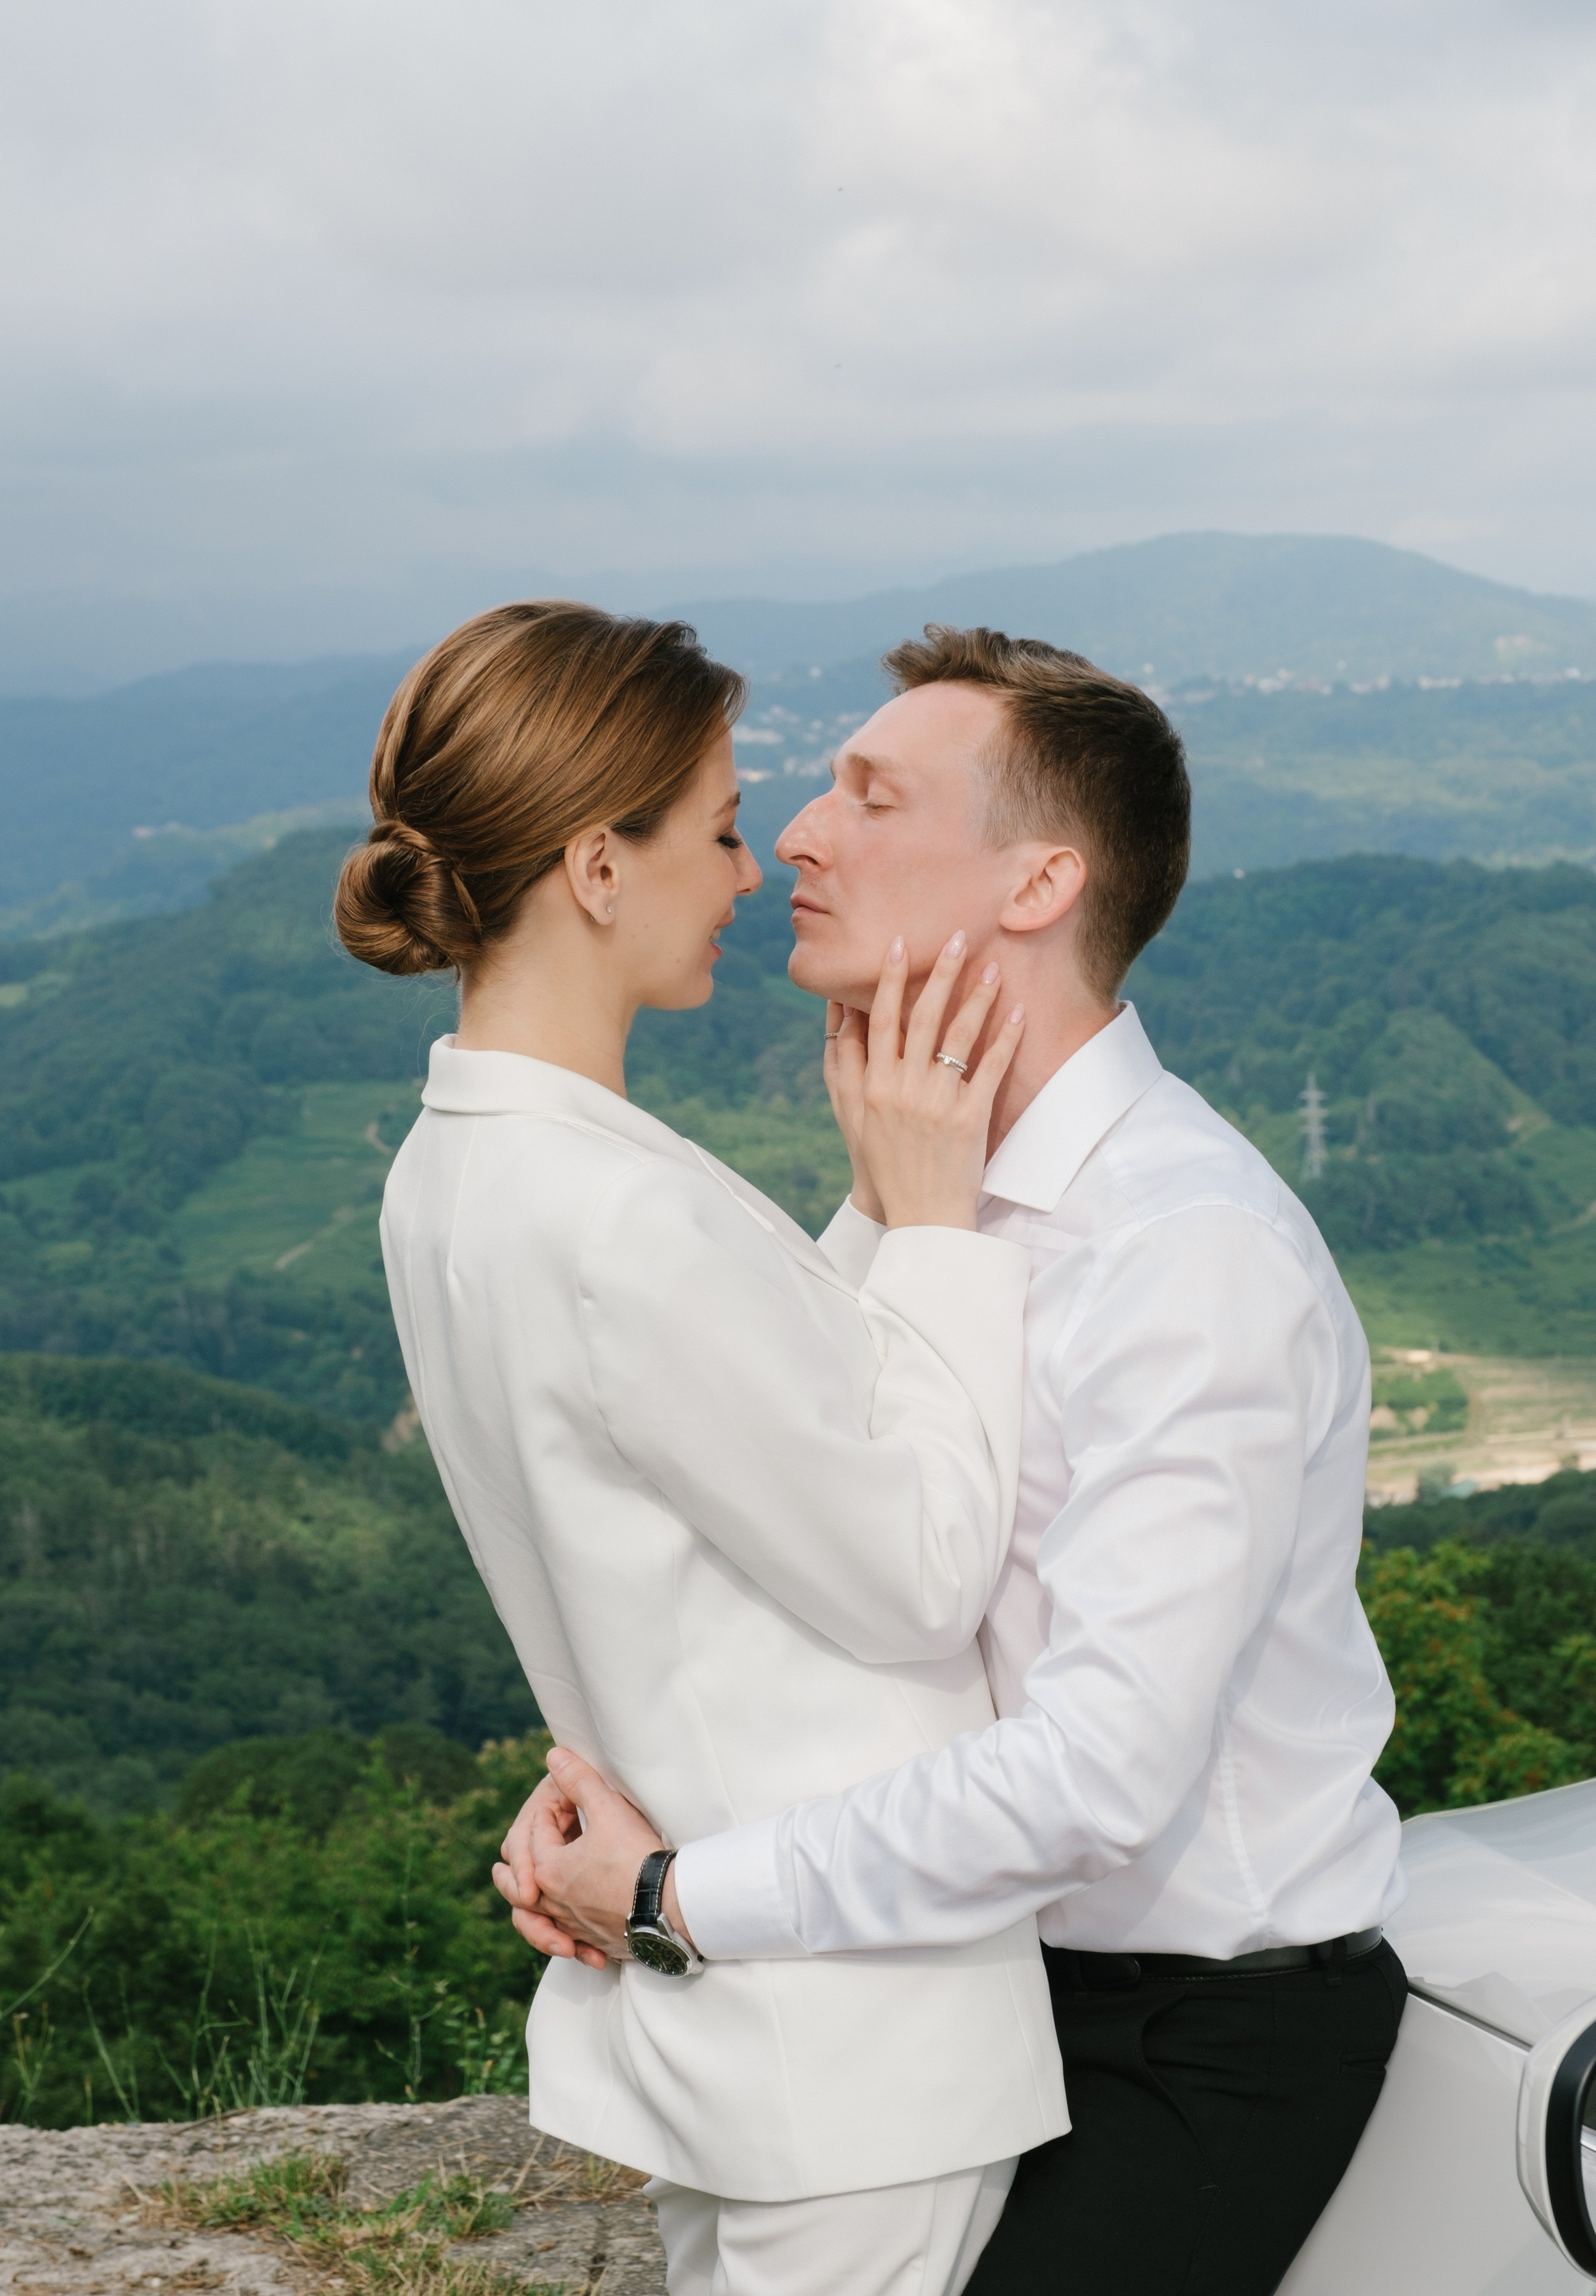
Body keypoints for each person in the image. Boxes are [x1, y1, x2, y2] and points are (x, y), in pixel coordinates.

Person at [501, 624, 1410, 2296]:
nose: (793, 833)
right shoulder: (931, 1192)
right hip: (958, 1980)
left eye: (869, 796)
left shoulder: (1179, 1253)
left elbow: (1096, 1774)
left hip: (1189, 2028)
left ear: (1037, 881)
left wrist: (684, 1894)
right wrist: (598, 1809)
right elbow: (800, 1585)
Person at [334, 600, 1067, 2296]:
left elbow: (705, 1464)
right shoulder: (610, 1213)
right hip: (849, 2039)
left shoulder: (451, 1169)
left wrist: (878, 1210)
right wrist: (942, 1225)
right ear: (598, 865)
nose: (753, 873)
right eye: (722, 828)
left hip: (718, 2011)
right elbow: (915, 1575)